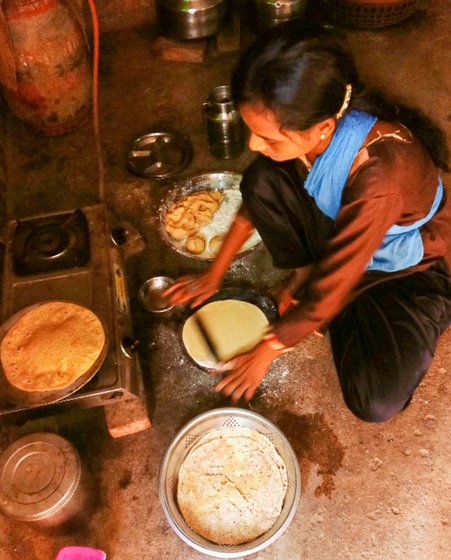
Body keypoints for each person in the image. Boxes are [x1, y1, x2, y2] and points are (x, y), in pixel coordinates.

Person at [166, 21, 451, 422]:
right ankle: (314, 281)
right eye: (254, 133)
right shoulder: (317, 128)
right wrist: (215, 273)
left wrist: (271, 346)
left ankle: (371, 304)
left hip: (406, 264)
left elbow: (339, 276)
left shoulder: (379, 178)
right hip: (349, 232)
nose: (253, 144)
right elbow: (256, 200)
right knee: (262, 180)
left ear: (323, 130)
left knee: (375, 399)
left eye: (268, 138)